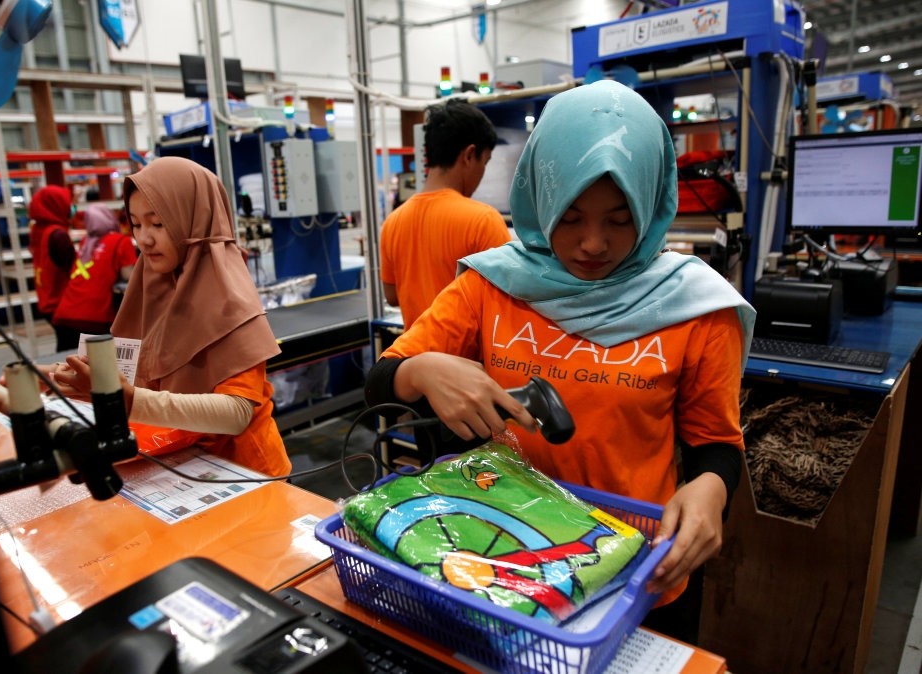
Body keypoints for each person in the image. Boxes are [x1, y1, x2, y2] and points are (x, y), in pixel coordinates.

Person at [363, 80, 756, 644]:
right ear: (540, 198)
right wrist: (419, 370)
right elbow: (379, 385)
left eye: (620, 219)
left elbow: (715, 442)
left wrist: (712, 488)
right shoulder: (490, 285)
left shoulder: (695, 307)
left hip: (635, 571)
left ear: (651, 202)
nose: (593, 243)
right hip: (503, 568)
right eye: (569, 218)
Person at [49, 156, 291, 477]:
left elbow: (236, 412)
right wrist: (46, 378)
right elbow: (129, 367)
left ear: (191, 220)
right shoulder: (151, 285)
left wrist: (132, 401)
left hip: (244, 473)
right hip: (181, 462)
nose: (144, 239)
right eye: (136, 224)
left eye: (158, 223)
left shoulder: (228, 298)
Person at [379, 98, 512, 328]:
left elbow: (392, 296)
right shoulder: (483, 220)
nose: (483, 173)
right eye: (486, 161)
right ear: (469, 155)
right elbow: (506, 303)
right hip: (467, 362)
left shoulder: (393, 222)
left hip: (415, 359)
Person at [52, 203, 138, 338]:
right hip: (95, 317)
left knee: (66, 358)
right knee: (99, 359)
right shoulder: (121, 241)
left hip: (64, 314)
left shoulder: (85, 242)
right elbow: (129, 276)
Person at [27, 184, 78, 351]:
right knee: (71, 350)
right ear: (56, 205)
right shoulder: (58, 235)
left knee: (65, 346)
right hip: (62, 302)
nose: (71, 207)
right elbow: (73, 268)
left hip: (46, 300)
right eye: (67, 202)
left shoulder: (38, 229)